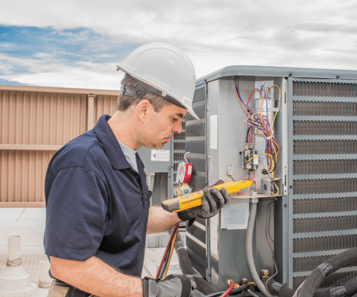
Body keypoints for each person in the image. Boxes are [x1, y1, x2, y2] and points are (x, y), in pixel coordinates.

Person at [44, 42, 230, 297]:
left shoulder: (128, 158)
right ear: (144, 110)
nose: (178, 129)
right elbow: (68, 265)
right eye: (175, 118)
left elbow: (133, 224)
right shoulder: (83, 164)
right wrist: (154, 292)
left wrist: (187, 209)